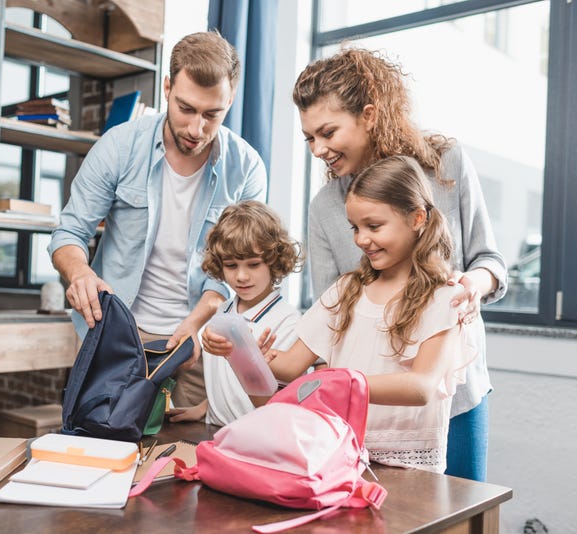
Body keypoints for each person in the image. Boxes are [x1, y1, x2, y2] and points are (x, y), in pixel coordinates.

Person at [292, 48, 506, 482]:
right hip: (372, 414)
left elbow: (490, 262)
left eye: (327, 132)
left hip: (455, 396)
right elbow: (330, 319)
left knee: (463, 517)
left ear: (369, 115)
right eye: (309, 138)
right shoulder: (325, 207)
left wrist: (472, 285)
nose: (318, 149)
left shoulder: (446, 165)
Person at [205, 156, 478, 474]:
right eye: (356, 228)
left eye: (373, 226)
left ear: (417, 218)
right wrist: (241, 353)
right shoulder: (346, 290)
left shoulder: (445, 298)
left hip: (408, 471)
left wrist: (342, 383)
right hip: (339, 459)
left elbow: (421, 387)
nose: (361, 239)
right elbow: (292, 366)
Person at [48, 32, 267, 408]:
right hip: (114, 332)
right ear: (167, 88)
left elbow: (233, 271)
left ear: (229, 101)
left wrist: (196, 325)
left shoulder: (246, 168)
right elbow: (69, 232)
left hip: (197, 337)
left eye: (212, 114)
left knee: (184, 456)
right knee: (101, 443)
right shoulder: (118, 146)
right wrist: (80, 274)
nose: (196, 129)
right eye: (186, 109)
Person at [170, 200, 303, 426]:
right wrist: (205, 408)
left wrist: (245, 354)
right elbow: (227, 382)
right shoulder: (222, 311)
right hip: (213, 429)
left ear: (274, 262)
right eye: (231, 265)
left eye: (253, 265)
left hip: (256, 437)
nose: (241, 276)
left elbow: (279, 401)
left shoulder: (288, 321)